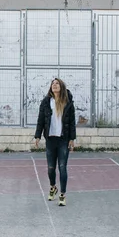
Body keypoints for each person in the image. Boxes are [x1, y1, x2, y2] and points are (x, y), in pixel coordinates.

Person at [34, 78, 76, 206]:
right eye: (53, 84)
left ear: (62, 86)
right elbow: (40, 120)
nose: (54, 85)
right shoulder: (46, 102)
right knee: (51, 169)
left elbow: (72, 123)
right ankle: (53, 187)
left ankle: (62, 194)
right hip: (50, 139)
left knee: (62, 168)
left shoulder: (68, 103)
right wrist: (37, 136)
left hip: (63, 140)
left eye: (57, 83)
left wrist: (72, 139)